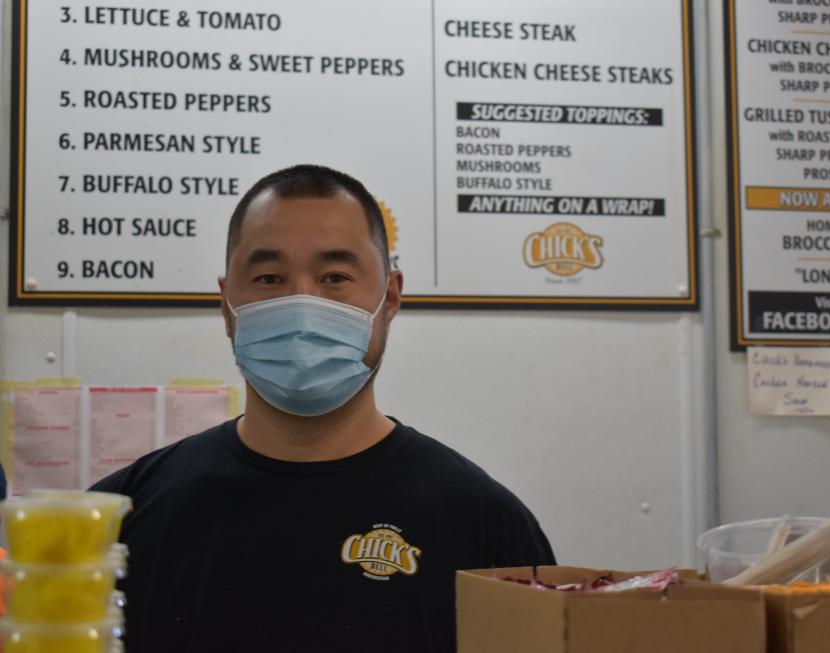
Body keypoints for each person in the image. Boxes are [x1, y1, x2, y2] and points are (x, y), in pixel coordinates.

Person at [92, 164, 555, 653]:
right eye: (269, 277)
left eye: (335, 277)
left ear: (390, 296)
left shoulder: (487, 529)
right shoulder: (119, 521)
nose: (302, 303)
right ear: (227, 305)